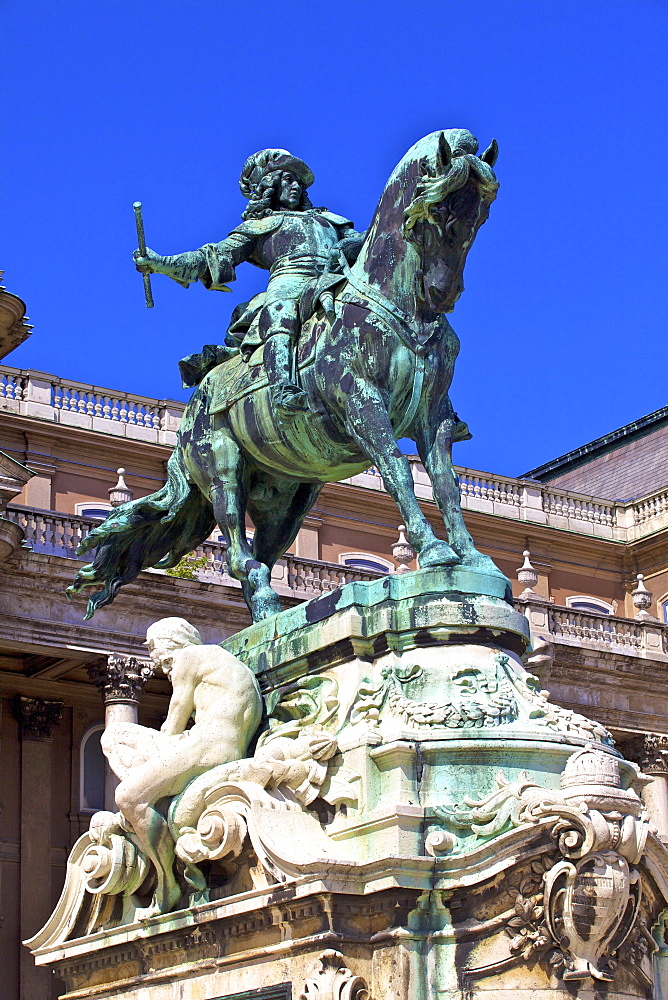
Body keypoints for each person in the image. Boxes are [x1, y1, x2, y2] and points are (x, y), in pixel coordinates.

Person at [133, 148, 365, 417]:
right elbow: (211, 257)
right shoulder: (259, 226)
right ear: (270, 186)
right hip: (289, 282)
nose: (295, 186)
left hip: (335, 277)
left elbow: (364, 243)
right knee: (281, 311)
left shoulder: (330, 220)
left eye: (298, 181)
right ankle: (283, 388)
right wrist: (162, 263)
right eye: (288, 179)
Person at [101, 617, 262, 916]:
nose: (159, 664)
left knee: (128, 796)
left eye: (154, 651)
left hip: (206, 746)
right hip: (216, 744)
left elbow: (175, 717)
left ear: (168, 641)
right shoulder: (221, 662)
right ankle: (150, 809)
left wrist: (153, 763)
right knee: (116, 737)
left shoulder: (190, 655)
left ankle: (167, 884)